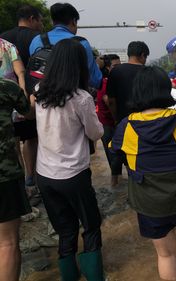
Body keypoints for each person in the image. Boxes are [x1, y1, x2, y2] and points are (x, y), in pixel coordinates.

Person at [111, 66, 176, 280]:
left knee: (165, 254)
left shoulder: (126, 126)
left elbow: (116, 152)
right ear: (166, 90)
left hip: (150, 203)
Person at [35, 38, 104, 280]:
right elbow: (96, 133)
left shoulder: (39, 93)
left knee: (65, 230)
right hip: (73, 174)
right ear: (78, 66)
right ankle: (95, 274)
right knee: (91, 225)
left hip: (44, 175)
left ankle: (70, 275)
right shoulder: (80, 98)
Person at [1, 5, 43, 190]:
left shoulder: (5, 36)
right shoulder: (34, 38)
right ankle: (30, 177)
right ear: (32, 18)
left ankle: (19, 180)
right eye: (40, 20)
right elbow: (23, 72)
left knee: (11, 141)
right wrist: (26, 97)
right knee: (31, 138)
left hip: (4, 103)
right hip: (22, 96)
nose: (41, 24)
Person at [0, 78, 34, 281]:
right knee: (7, 243)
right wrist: (31, 99)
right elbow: (27, 113)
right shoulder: (6, 87)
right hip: (4, 176)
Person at [29, 2, 102, 89]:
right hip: (71, 98)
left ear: (53, 22)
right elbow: (95, 80)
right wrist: (98, 65)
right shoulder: (81, 43)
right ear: (74, 21)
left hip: (41, 97)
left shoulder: (37, 40)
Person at [96, 54, 121, 186]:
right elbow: (108, 101)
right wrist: (117, 119)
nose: (119, 68)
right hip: (108, 123)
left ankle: (117, 180)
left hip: (107, 122)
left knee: (112, 152)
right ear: (107, 68)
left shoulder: (107, 81)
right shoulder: (107, 82)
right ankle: (115, 182)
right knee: (114, 153)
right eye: (115, 66)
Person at [107, 41, 148, 123]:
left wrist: (116, 119)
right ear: (143, 55)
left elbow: (111, 101)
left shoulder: (116, 71)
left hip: (123, 121)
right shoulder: (149, 72)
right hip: (145, 121)